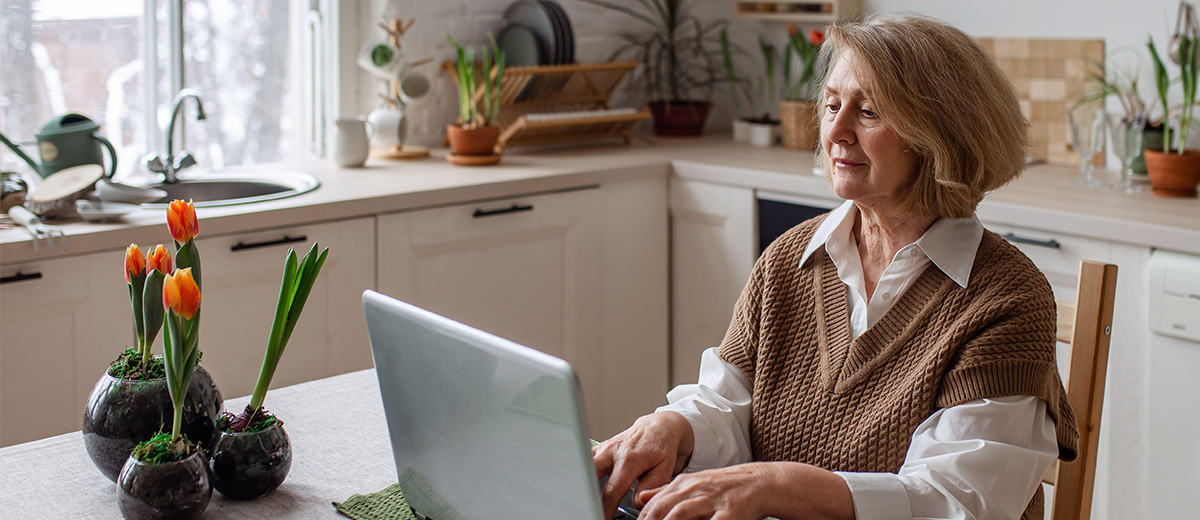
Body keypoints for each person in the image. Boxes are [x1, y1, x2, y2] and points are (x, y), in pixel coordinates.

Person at [592, 14, 1080, 520]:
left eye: (868, 112)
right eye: (830, 106)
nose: (836, 131)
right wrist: (677, 425)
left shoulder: (1007, 300)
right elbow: (728, 405)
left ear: (940, 134)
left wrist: (776, 483)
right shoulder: (789, 258)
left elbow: (953, 501)